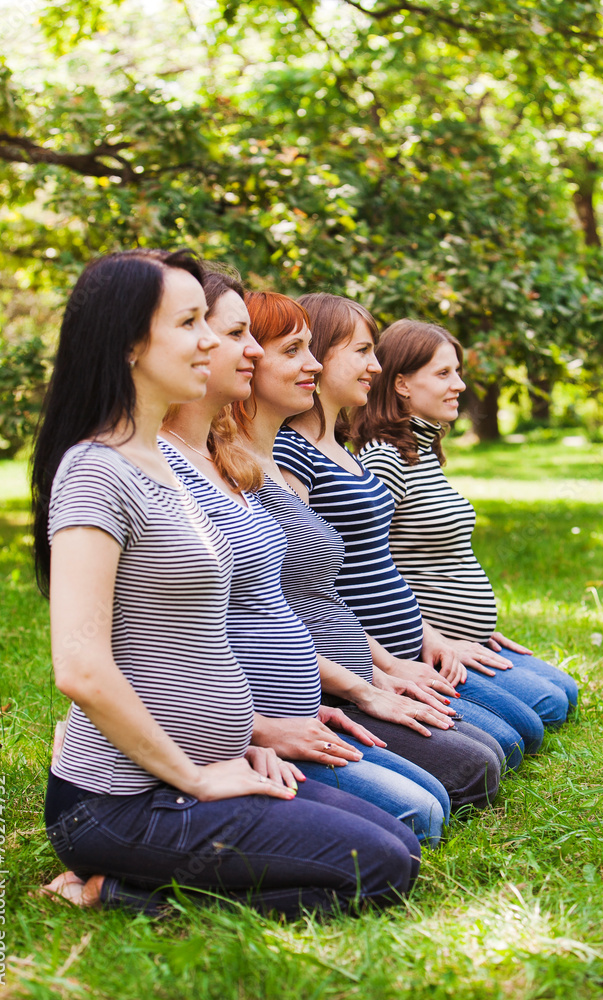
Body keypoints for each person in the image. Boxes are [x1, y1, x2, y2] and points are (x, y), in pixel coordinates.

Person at [30, 249, 420, 918]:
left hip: (212, 766)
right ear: (127, 343)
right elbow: (80, 670)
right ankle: (113, 891)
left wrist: (244, 738)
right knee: (378, 870)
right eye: (189, 324)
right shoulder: (96, 472)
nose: (210, 340)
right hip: (122, 800)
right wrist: (197, 775)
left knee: (398, 841)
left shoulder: (167, 464)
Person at [160, 269, 450, 844]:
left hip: (314, 705)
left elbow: (283, 605)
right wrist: (253, 734)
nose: (312, 366)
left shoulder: (230, 466)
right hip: (251, 733)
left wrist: (371, 676)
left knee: (439, 801)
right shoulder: (149, 470)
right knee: (422, 817)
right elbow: (162, 646)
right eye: (292, 349)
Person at [233, 289, 504, 811]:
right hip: (310, 697)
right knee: (451, 791)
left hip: (353, 675)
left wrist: (380, 673)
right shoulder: (265, 465)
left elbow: (324, 598)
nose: (373, 366)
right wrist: (361, 688)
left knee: (495, 752)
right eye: (293, 350)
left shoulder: (269, 464)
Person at [273, 292, 564, 763]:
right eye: (363, 351)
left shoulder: (347, 452)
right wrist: (384, 665)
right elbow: (313, 588)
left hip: (413, 647)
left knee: (529, 723)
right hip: (369, 662)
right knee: (511, 739)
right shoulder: (297, 455)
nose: (376, 366)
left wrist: (435, 637)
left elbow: (378, 563)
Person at [350, 318, 578, 711]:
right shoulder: (386, 459)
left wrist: (476, 629)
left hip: (467, 640)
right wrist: (441, 638)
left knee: (565, 692)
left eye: (457, 371)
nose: (459, 385)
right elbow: (365, 569)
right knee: (550, 703)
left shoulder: (421, 453)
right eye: (443, 373)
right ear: (402, 384)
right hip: (431, 649)